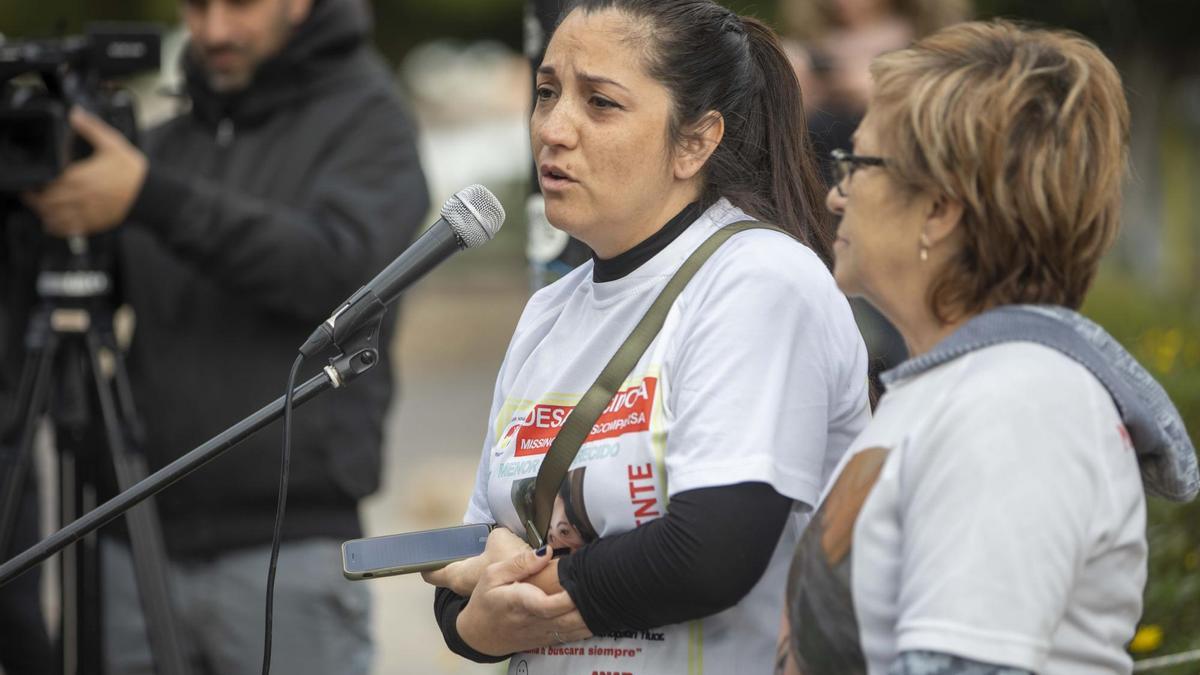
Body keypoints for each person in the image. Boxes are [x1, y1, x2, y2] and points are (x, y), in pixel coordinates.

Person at [421, 1, 870, 673]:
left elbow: (710, 552)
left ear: (696, 141)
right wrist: (474, 629)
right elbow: (468, 564)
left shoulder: (758, 279)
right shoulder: (548, 312)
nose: (553, 128)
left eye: (600, 103)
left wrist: (514, 583)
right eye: (546, 94)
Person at [19, 0, 429, 673]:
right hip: (131, 538)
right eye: (198, 6)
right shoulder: (167, 139)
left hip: (286, 547)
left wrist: (151, 195)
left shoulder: (369, 118)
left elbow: (335, 271)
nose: (214, 31)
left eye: (239, 4)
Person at [780, 21, 1199, 675]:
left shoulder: (1018, 403)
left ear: (940, 209)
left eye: (855, 164)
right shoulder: (960, 388)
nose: (836, 192)